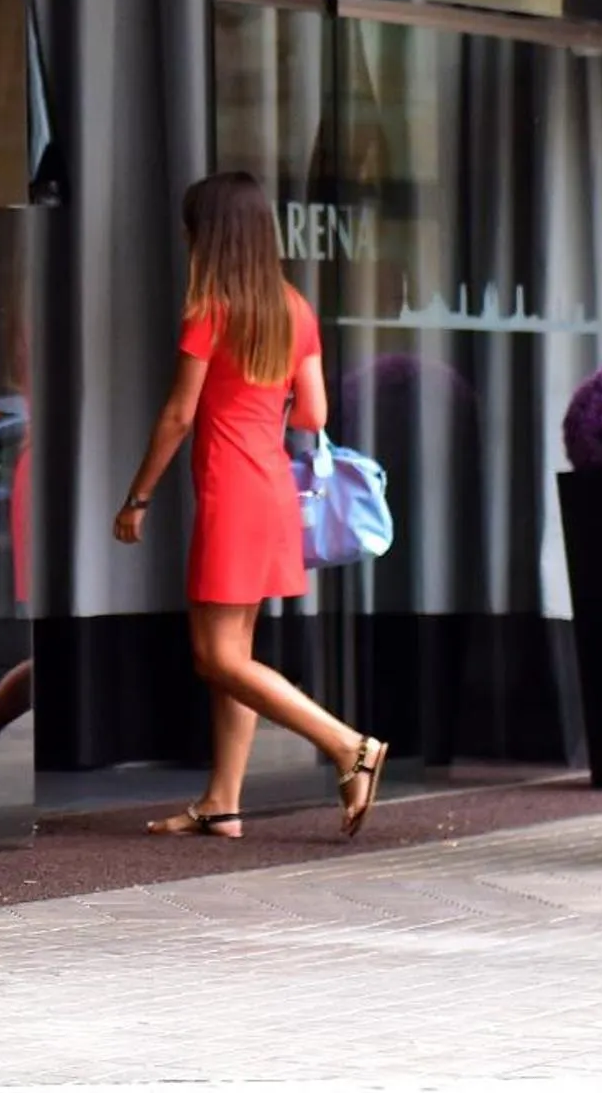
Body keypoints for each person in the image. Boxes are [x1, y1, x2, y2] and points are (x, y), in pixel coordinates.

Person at [114, 171, 388, 840]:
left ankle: (349, 745)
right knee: (234, 653)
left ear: (207, 236)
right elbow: (314, 414)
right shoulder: (294, 307)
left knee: (217, 657)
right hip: (273, 491)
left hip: (231, 494)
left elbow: (178, 414)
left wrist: (137, 496)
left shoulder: (210, 308)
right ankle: (222, 802)